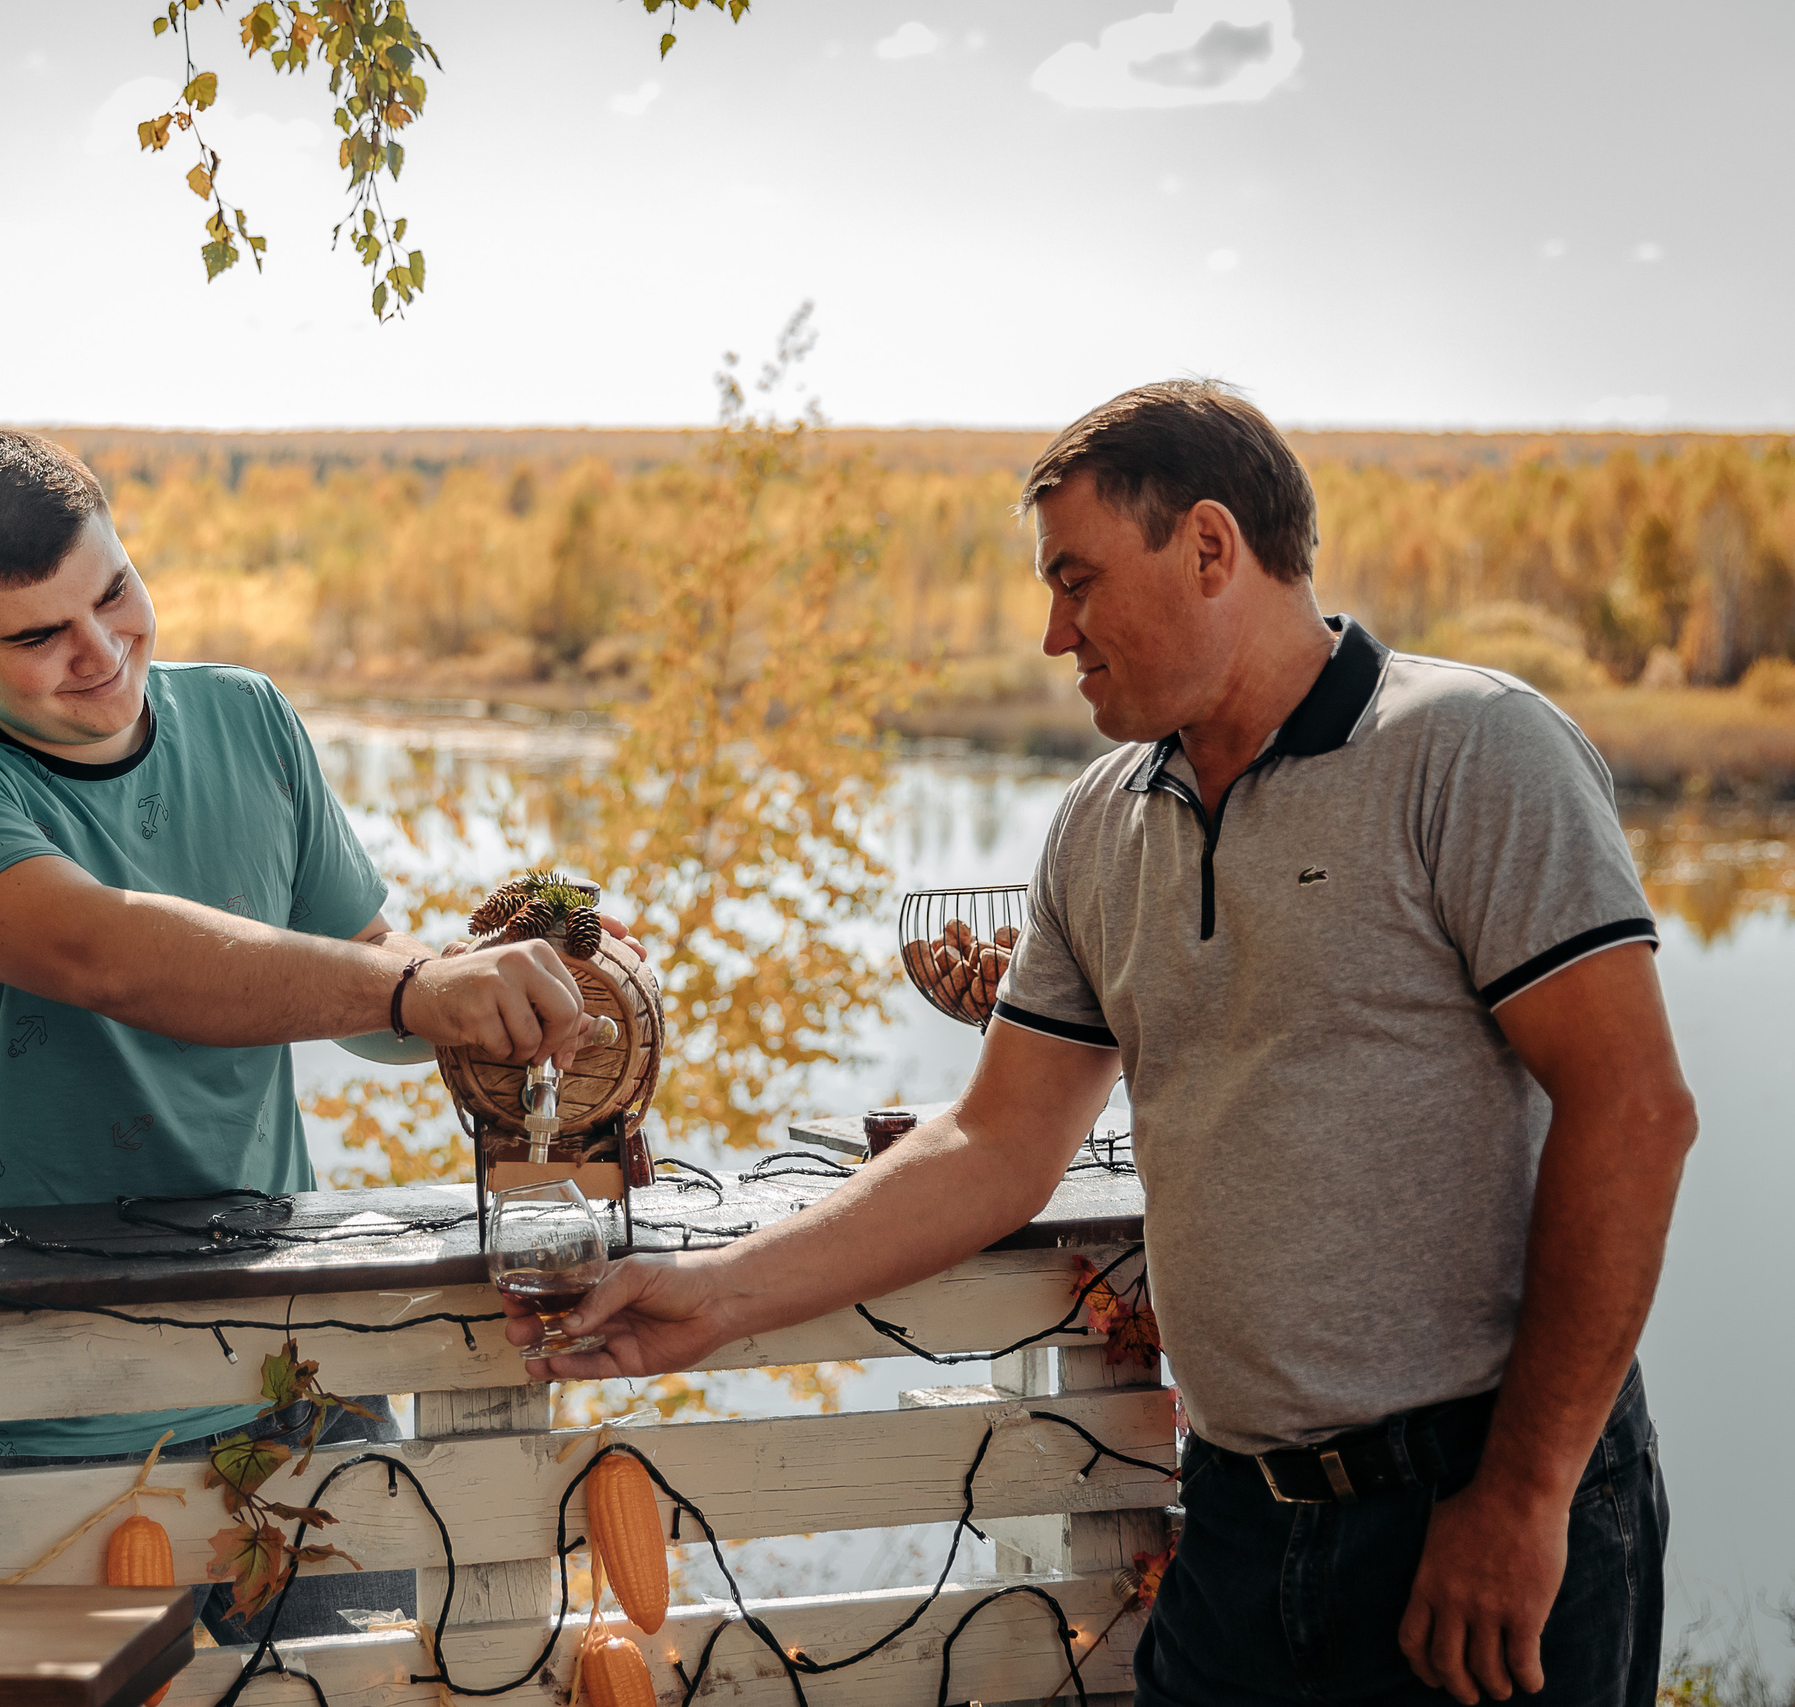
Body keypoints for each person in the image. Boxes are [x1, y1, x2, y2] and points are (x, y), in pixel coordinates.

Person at [510, 381, 1696, 1707]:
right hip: (1241, 1527)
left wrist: (1526, 1492)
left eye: (1077, 581)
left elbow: (1635, 1111)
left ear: (1208, 548)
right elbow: (996, 1142)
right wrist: (717, 1293)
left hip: (1478, 1509)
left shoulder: (1473, 752)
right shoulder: (1101, 821)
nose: (1051, 631)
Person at [0, 427, 614, 1640]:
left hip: (295, 1381)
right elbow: (113, 955)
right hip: (46, 1409)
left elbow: (363, 990)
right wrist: (420, 991)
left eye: (113, 593)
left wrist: (501, 979)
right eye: (37, 636)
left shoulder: (250, 720)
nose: (100, 653)